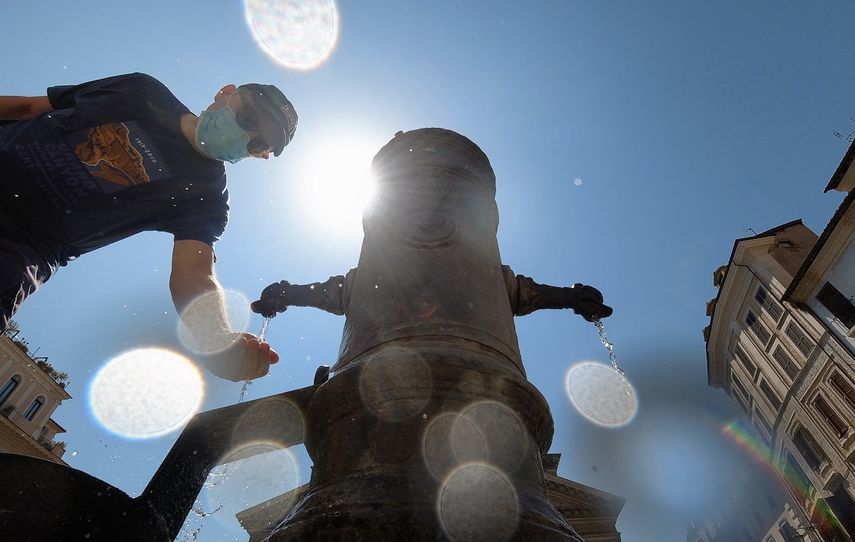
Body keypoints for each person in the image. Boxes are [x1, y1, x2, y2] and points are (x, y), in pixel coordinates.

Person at [0, 72, 298, 381]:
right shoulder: (141, 92)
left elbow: (195, 274)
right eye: (248, 116)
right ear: (225, 92)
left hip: (18, 250)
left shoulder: (206, 197)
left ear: (259, 155)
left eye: (258, 142)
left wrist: (217, 339)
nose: (245, 136)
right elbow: (28, 108)